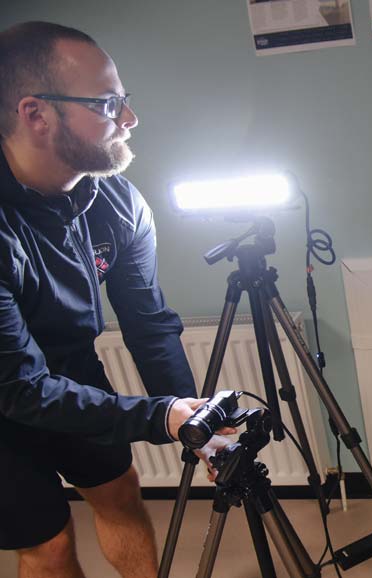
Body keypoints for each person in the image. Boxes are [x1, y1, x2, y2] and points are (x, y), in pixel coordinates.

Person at [0, 22, 228, 578]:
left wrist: (198, 427)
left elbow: (149, 324)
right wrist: (161, 417)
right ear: (36, 115)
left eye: (124, 101)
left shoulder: (118, 202)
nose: (130, 120)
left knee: (118, 490)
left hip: (71, 367)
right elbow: (21, 388)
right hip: (4, 394)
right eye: (108, 104)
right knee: (49, 543)